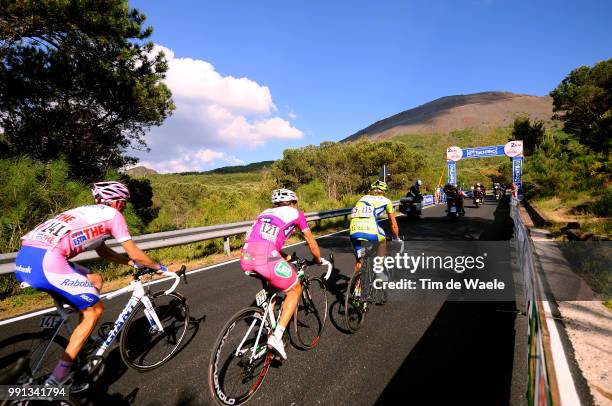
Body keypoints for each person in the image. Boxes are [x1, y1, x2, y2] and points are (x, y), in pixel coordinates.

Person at [14, 181, 169, 388]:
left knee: (95, 280)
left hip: (25, 259)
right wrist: (160, 268)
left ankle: (83, 338)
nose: (124, 207)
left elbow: (102, 250)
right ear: (115, 201)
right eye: (123, 203)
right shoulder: (114, 215)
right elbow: (135, 251)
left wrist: (131, 264)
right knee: (94, 311)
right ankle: (58, 378)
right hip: (48, 263)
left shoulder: (84, 211)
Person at [240, 189, 322, 360]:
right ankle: (276, 337)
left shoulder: (264, 213)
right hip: (266, 257)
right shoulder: (296, 214)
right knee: (294, 289)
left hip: (246, 255)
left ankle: (269, 325)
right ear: (293, 202)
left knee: (272, 288)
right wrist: (318, 259)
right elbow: (311, 242)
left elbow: (262, 241)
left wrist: (288, 257)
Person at [349, 180, 400, 287]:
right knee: (382, 241)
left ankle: (356, 290)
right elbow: (394, 225)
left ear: (370, 190)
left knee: (360, 261)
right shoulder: (386, 201)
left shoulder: (362, 198)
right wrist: (396, 238)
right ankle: (378, 270)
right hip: (371, 229)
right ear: (384, 191)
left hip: (354, 230)